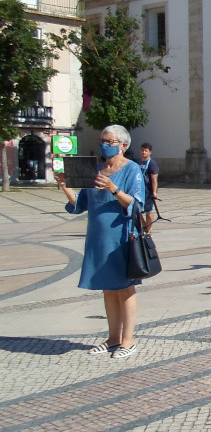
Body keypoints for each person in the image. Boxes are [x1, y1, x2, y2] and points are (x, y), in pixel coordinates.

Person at [54, 125, 145, 360]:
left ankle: (128, 340)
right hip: (97, 237)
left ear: (123, 145)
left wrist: (114, 189)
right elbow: (80, 205)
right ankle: (113, 337)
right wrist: (65, 187)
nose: (103, 143)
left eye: (109, 140)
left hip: (121, 237)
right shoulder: (95, 170)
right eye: (101, 139)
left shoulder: (132, 169)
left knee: (124, 287)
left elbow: (136, 205)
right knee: (108, 288)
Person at [137, 142, 159, 234]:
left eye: (145, 151)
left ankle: (148, 229)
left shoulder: (152, 163)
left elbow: (154, 179)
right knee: (137, 210)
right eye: (142, 150)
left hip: (148, 191)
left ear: (150, 152)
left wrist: (154, 192)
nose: (143, 152)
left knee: (148, 210)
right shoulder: (138, 162)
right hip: (139, 190)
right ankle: (145, 226)